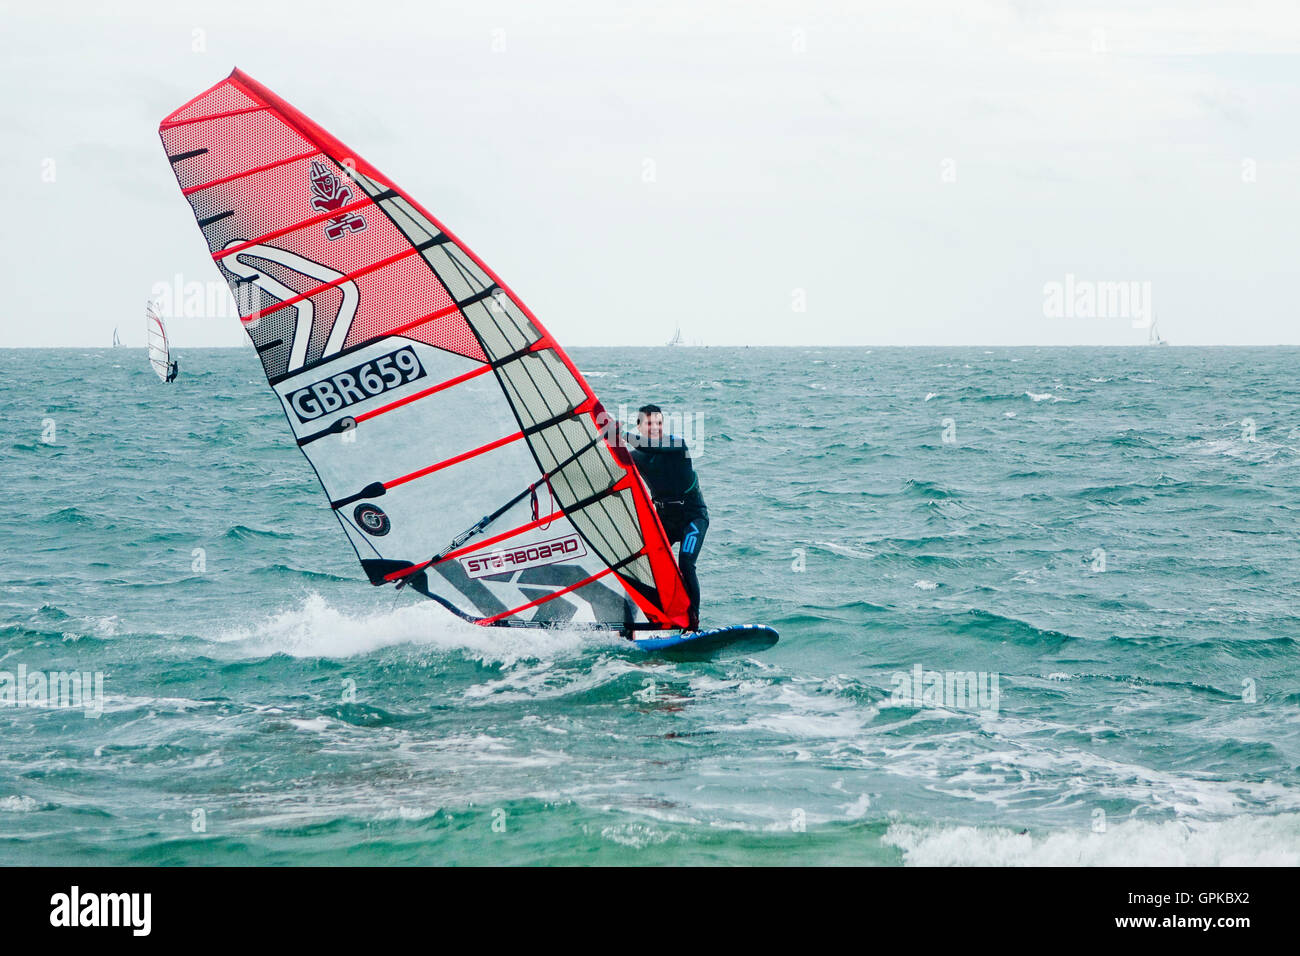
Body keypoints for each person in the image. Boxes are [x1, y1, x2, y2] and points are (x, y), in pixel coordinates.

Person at [625, 404, 707, 631]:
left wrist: (618, 433)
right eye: (649, 423)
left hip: (693, 516)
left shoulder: (676, 445)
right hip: (665, 519)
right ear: (639, 426)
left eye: (659, 423)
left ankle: (693, 625)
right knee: (638, 567)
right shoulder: (636, 457)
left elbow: (652, 448)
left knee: (686, 564)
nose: (655, 428)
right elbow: (609, 463)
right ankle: (631, 624)